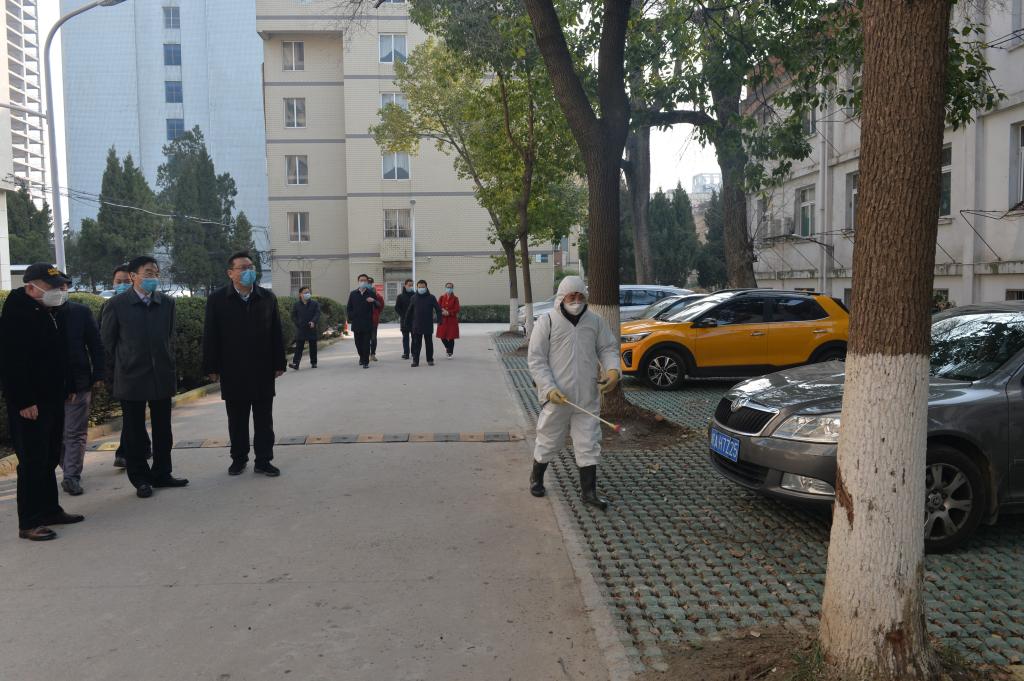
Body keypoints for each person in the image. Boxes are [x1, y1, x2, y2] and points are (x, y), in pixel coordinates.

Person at [0, 263, 83, 541]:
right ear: (31, 287)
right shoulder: (17, 314)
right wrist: (23, 400)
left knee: (48, 458)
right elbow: (11, 363)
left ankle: (50, 510)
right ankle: (29, 521)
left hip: (52, 398)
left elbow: (59, 354)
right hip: (30, 403)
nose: (58, 291)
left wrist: (68, 386)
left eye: (60, 286)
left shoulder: (48, 310)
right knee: (32, 462)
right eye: (52, 287)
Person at [527, 276, 620, 510]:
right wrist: (548, 389)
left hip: (587, 395)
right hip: (557, 397)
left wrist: (613, 371)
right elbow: (536, 359)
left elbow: (608, 348)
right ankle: (536, 477)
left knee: (588, 441)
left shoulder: (595, 321)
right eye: (571, 296)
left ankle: (589, 492)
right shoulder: (547, 322)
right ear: (562, 297)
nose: (576, 301)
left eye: (580, 296)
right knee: (549, 437)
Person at [101, 255, 188, 499]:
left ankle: (162, 473)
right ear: (133, 276)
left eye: (156, 273)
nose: (154, 277)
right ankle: (140, 478)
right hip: (131, 378)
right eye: (148, 272)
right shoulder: (116, 305)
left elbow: (169, 339)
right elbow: (107, 344)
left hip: (161, 375)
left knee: (163, 430)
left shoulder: (167, 303)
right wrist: (115, 375)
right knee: (134, 432)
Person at [203, 252, 287, 477]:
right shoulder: (217, 299)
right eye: (243, 268)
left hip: (262, 368)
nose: (249, 271)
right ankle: (238, 459)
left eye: (251, 267)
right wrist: (211, 366)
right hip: (233, 369)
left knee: (264, 420)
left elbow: (276, 332)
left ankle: (264, 460)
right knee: (237, 420)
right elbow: (211, 334)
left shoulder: (267, 298)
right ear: (230, 273)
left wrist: (279, 362)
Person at [58, 286, 105, 496]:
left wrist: (99, 374)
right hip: (47, 387)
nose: (60, 291)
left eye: (63, 287)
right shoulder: (36, 314)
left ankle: (71, 476)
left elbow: (96, 345)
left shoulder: (80, 313)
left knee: (75, 432)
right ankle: (67, 467)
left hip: (79, 383)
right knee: (55, 434)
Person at [102, 264, 147, 469]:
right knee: (130, 413)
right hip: (121, 371)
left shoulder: (144, 303)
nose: (122, 285)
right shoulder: (110, 306)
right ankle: (130, 450)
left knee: (133, 413)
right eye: (118, 282)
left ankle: (133, 449)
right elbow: (106, 342)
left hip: (144, 370)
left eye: (126, 282)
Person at [404, 280, 442, 367]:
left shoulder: (431, 297)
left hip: (428, 324)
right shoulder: (414, 297)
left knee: (429, 343)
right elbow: (409, 310)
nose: (421, 288)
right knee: (416, 344)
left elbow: (438, 309)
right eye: (419, 287)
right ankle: (415, 361)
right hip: (417, 325)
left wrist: (439, 320)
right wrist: (406, 321)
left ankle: (430, 359)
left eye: (423, 287)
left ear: (426, 287)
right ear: (417, 287)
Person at [346, 274, 380, 368]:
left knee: (366, 344)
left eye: (365, 280)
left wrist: (373, 301)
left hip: (367, 323)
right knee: (358, 344)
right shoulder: (353, 294)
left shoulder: (371, 293)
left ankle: (365, 362)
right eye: (361, 280)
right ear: (358, 281)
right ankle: (361, 357)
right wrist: (352, 316)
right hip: (356, 323)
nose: (363, 282)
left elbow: (378, 305)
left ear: (367, 282)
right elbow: (349, 307)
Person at [290, 286, 320, 370]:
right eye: (305, 292)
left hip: (311, 327)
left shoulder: (315, 304)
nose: (307, 294)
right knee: (299, 347)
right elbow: (293, 316)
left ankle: (314, 362)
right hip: (301, 328)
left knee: (313, 346)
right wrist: (298, 323)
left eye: (308, 292)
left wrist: (313, 321)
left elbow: (317, 314)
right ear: (300, 294)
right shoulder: (296, 305)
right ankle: (295, 363)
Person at [436, 282, 460, 359]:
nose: (449, 289)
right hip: (443, 319)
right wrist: (442, 311)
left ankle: (450, 352)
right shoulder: (441, 297)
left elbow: (457, 309)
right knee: (442, 336)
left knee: (451, 336)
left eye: (450, 287)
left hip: (452, 320)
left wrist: (449, 312)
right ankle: (448, 347)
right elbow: (437, 307)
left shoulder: (455, 298)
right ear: (445, 288)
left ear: (452, 288)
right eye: (448, 287)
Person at [394, 278, 415, 360]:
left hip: (414, 320)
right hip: (404, 320)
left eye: (412, 285)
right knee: (405, 338)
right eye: (409, 285)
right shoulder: (400, 296)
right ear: (405, 285)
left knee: (415, 338)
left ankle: (414, 352)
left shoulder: (415, 295)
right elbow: (397, 307)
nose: (410, 286)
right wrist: (403, 315)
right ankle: (406, 353)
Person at [367, 276, 385, 362]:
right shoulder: (360, 294)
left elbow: (381, 306)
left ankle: (373, 354)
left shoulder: (377, 296)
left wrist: (376, 313)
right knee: (365, 339)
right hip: (364, 320)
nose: (368, 284)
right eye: (367, 283)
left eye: (370, 283)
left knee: (373, 338)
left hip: (374, 320)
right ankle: (365, 354)